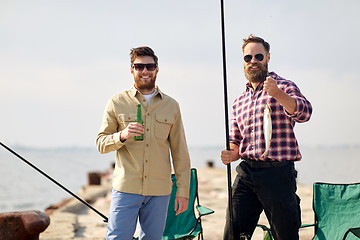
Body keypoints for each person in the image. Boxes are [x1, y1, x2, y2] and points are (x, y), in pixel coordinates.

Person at [221, 35, 312, 240]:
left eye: (258, 56)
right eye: (248, 57)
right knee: (233, 234)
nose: (253, 61)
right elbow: (236, 141)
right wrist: (231, 154)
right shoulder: (239, 101)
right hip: (246, 173)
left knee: (285, 235)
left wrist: (277, 94)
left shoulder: (284, 86)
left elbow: (305, 113)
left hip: (278, 174)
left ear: (268, 57)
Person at [96, 46, 191, 240]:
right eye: (139, 67)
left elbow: (180, 151)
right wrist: (122, 135)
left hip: (159, 191)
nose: (145, 71)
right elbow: (101, 143)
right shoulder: (116, 102)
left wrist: (183, 192)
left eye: (150, 66)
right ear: (132, 70)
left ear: (157, 69)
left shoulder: (171, 106)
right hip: (126, 189)